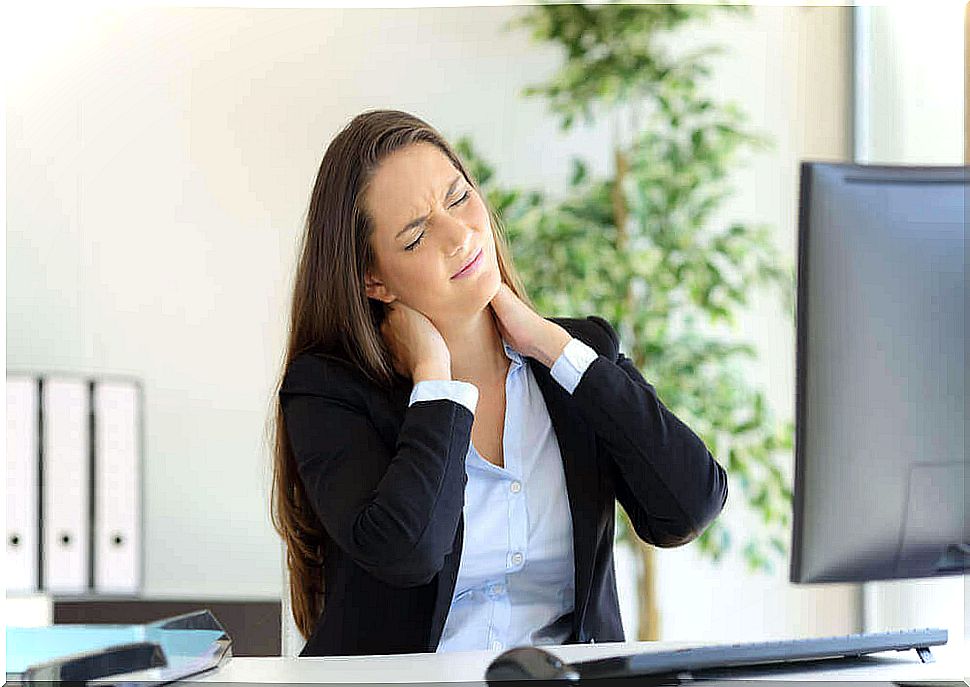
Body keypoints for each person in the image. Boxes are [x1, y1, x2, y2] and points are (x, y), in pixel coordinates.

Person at [269, 109, 729, 657]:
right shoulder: (329, 391)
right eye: (416, 235)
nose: (459, 235)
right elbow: (407, 553)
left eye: (459, 198)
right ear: (373, 280)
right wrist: (435, 382)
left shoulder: (575, 359)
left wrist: (550, 344)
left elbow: (687, 507)